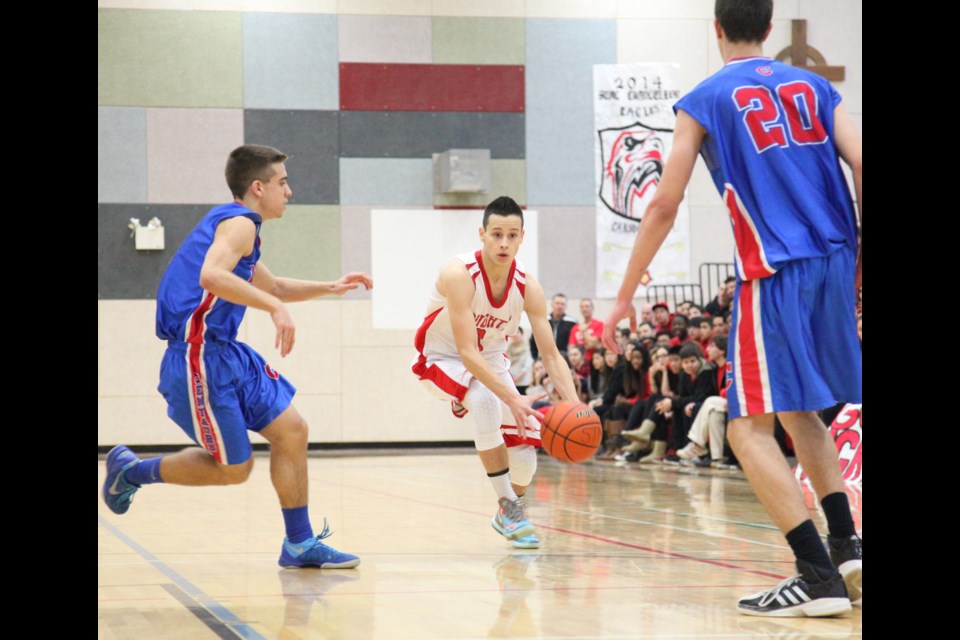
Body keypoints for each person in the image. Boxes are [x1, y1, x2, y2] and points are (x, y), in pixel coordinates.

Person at [603, 0, 862, 617]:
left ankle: (816, 576)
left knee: (747, 428)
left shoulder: (705, 97)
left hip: (773, 269)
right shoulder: (816, 86)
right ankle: (847, 547)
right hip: (835, 260)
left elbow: (664, 204)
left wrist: (622, 295)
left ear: (714, 27)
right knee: (802, 414)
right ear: (770, 28)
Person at [102, 144, 373, 569]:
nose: (290, 191)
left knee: (293, 430)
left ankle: (299, 544)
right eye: (282, 183)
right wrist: (274, 310)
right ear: (257, 187)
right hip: (198, 360)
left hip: (226, 353)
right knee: (234, 468)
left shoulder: (238, 226)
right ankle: (131, 472)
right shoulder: (240, 224)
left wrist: (330, 287)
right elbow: (213, 276)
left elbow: (276, 288)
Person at [412, 196, 579, 549]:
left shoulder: (528, 287)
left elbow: (550, 354)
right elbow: (467, 353)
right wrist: (512, 397)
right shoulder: (459, 274)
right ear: (482, 235)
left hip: (492, 362)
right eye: (497, 234)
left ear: (522, 238)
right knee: (485, 400)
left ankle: (509, 508)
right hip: (443, 357)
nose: (504, 243)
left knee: (525, 461)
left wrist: (577, 405)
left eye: (512, 235)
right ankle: (510, 508)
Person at [529, 293, 577, 361]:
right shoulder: (543, 320)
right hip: (545, 360)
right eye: (557, 303)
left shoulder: (572, 323)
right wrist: (535, 358)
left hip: (565, 360)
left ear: (566, 306)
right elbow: (533, 340)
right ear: (552, 304)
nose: (560, 306)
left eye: (562, 304)